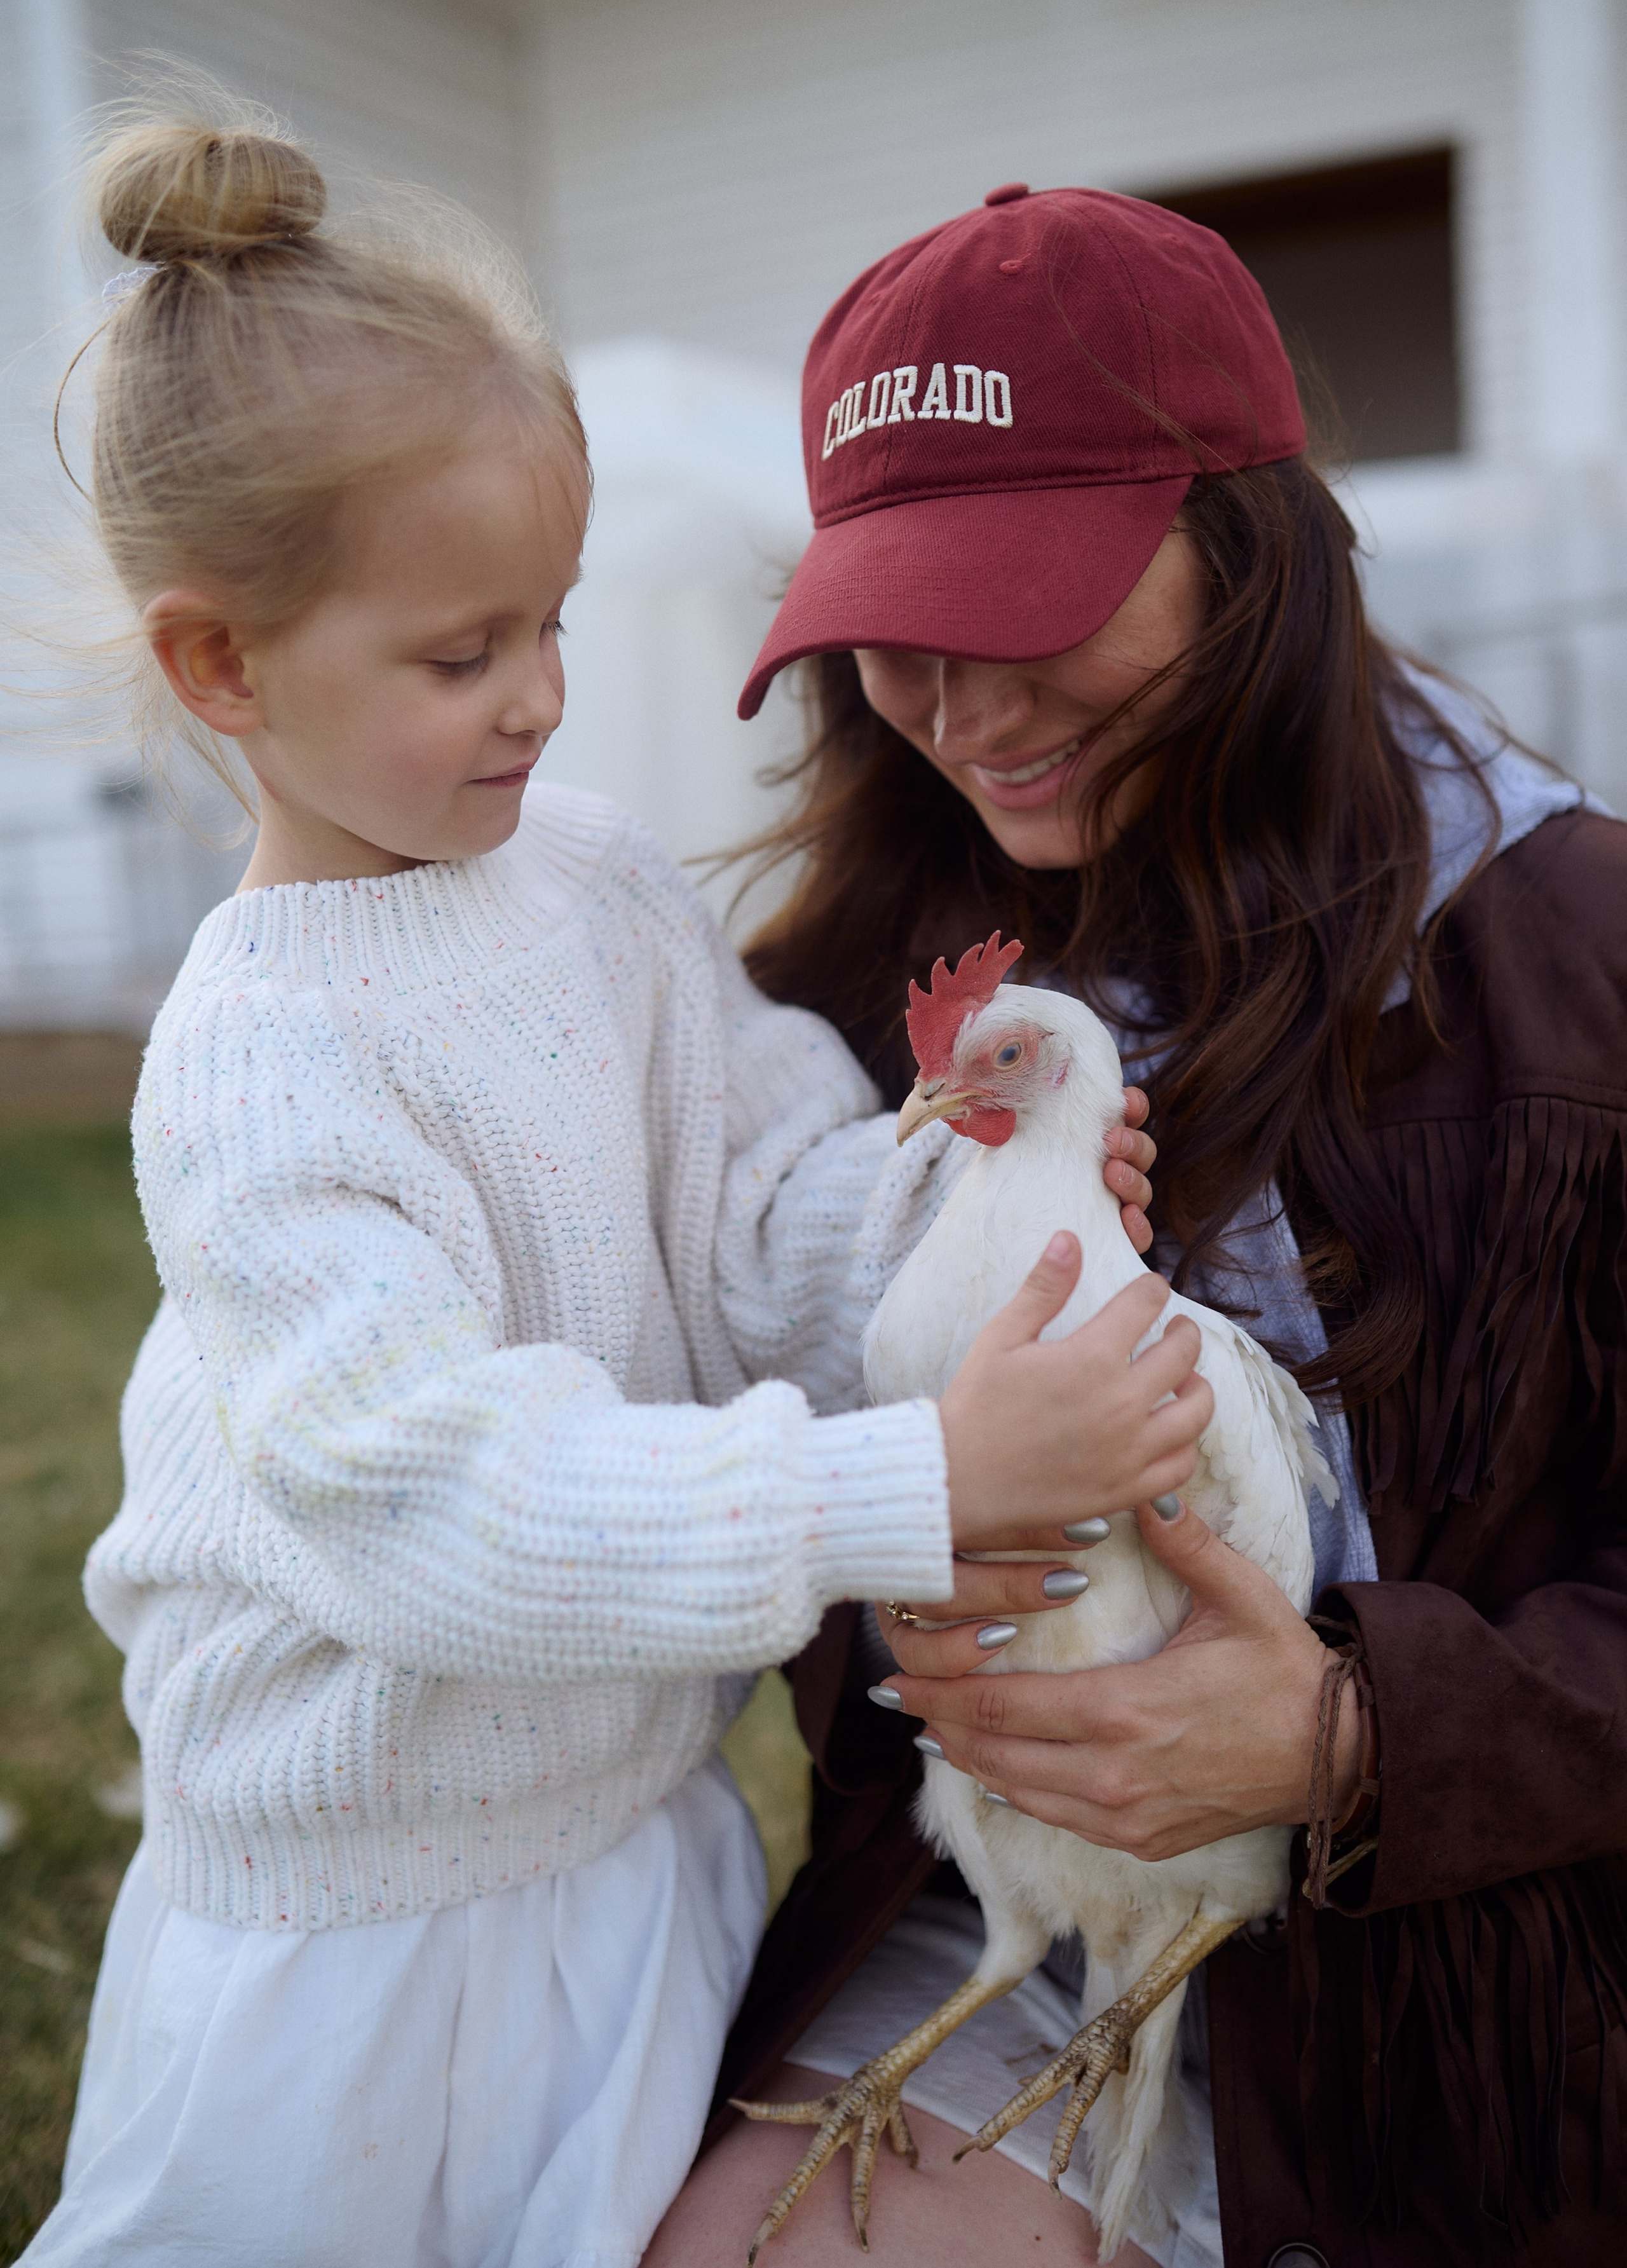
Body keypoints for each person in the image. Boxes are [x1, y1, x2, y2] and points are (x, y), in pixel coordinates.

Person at [23, 119, 1192, 2268]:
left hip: (626, 1833)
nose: (543, 695)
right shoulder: (260, 1063)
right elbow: (430, 1504)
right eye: (464, 655)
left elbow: (755, 1198)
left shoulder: (594, 871)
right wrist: (910, 1478)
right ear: (220, 670)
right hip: (370, 1911)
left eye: (550, 621)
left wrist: (953, 1216)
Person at [650, 185, 1627, 2266]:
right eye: (895, 624)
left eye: (1035, 599)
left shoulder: (1585, 965)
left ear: (1251, 546)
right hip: (1010, 1913)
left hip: (1475, 1982)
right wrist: (882, 1570)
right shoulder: (846, 987)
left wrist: (1358, 1730)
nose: (965, 703)